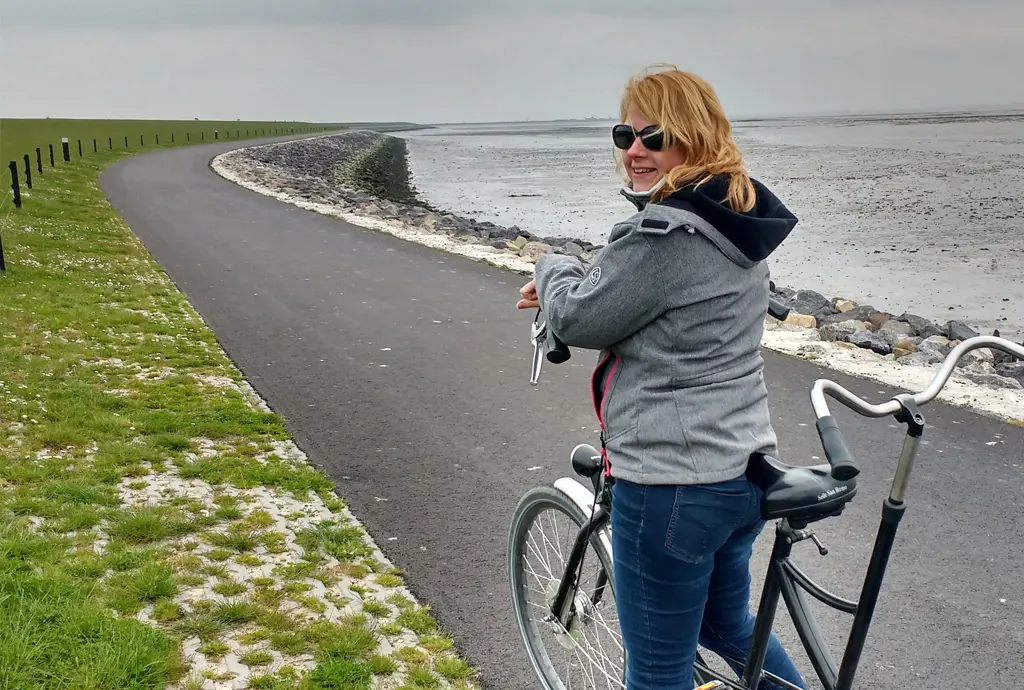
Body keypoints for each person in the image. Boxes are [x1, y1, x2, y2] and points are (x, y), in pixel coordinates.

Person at [516, 65, 807, 690]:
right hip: (741, 473)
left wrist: (551, 265)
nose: (636, 151)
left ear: (695, 138)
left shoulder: (665, 234)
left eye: (657, 135)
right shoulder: (736, 222)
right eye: (626, 135)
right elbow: (652, 309)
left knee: (655, 671)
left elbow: (578, 314)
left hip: (672, 484)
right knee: (726, 628)